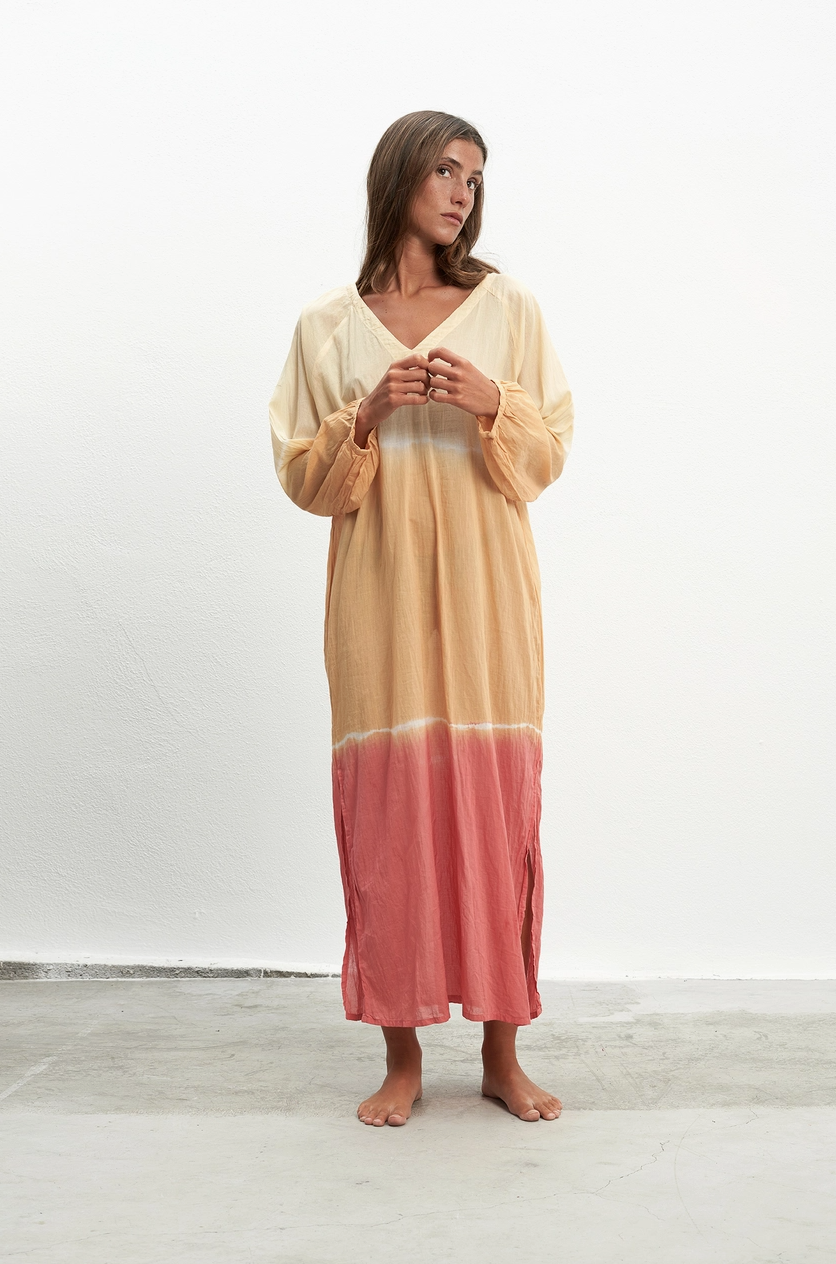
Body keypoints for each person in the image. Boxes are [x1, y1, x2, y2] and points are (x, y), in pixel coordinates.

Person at [269, 110, 574, 1127]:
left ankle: (501, 1054)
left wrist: (491, 402)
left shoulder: (507, 307)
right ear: (398, 175)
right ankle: (400, 1056)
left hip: (488, 598)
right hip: (380, 596)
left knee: (495, 818)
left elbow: (546, 454)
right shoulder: (326, 327)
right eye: (444, 170)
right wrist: (366, 415)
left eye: (474, 179)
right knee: (390, 822)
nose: (460, 193)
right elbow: (305, 480)